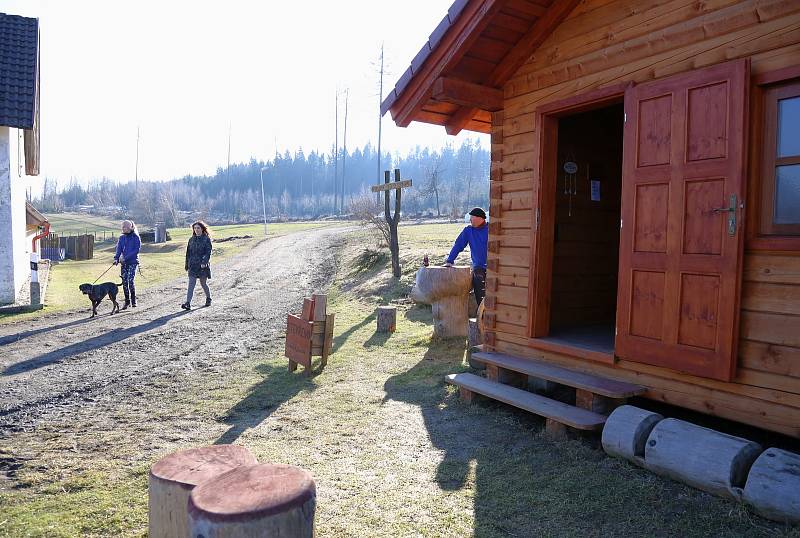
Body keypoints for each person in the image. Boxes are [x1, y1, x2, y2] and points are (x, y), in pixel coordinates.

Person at [445, 207, 488, 305]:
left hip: (494, 266)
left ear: (480, 218)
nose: (470, 220)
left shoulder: (490, 229)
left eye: (472, 218)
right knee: (478, 281)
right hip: (479, 267)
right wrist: (450, 260)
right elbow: (458, 245)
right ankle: (481, 312)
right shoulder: (468, 231)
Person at [181, 221, 212, 310]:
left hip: (202, 266)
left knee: (203, 284)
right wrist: (187, 264)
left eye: (198, 228)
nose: (196, 230)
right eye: (195, 228)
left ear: (202, 229)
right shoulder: (191, 240)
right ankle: (188, 303)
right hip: (192, 265)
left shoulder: (206, 239)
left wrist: (204, 262)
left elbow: (208, 252)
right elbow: (188, 253)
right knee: (191, 284)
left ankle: (208, 298)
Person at [113, 220, 141, 309]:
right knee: (124, 282)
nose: (124, 228)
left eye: (126, 227)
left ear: (131, 227)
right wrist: (116, 259)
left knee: (130, 281)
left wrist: (126, 258)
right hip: (124, 263)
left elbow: (136, 250)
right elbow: (119, 249)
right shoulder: (121, 238)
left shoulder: (136, 237)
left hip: (133, 262)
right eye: (123, 227)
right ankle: (127, 301)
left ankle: (133, 300)